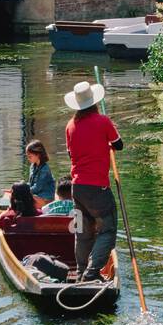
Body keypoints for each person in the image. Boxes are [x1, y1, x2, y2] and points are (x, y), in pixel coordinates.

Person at [64, 80, 122, 281]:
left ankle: (81, 272)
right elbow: (119, 144)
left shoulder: (70, 126)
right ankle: (91, 273)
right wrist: (106, 139)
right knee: (108, 229)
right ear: (94, 102)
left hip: (76, 188)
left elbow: (72, 153)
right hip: (97, 187)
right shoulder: (103, 121)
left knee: (82, 232)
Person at [26, 140, 55, 210]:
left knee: (23, 198)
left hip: (46, 197)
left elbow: (38, 187)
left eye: (30, 156)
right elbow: (30, 184)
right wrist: (21, 187)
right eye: (27, 156)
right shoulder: (32, 166)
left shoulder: (45, 168)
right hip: (37, 195)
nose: (28, 159)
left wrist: (24, 191)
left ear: (38, 155)